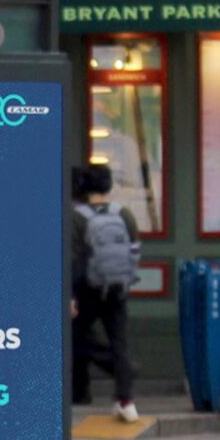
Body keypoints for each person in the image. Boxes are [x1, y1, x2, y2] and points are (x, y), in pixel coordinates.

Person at [72, 164, 142, 421]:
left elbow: (71, 260)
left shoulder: (77, 217)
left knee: (74, 336)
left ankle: (79, 391)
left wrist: (70, 296)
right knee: (119, 341)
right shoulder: (124, 214)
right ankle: (125, 400)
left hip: (87, 289)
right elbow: (135, 250)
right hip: (117, 287)